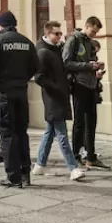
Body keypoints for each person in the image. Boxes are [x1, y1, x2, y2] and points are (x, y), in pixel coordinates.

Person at [0, 11, 39, 188]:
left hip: (3, 93)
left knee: (7, 134)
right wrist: (21, 80)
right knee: (22, 133)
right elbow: (35, 66)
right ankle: (24, 174)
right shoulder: (26, 42)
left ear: (1, 26)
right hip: (21, 92)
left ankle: (12, 176)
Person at [32, 21, 86, 182]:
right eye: (56, 33)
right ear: (47, 33)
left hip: (59, 95)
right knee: (62, 134)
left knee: (50, 133)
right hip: (53, 98)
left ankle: (39, 165)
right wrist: (56, 88)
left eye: (60, 33)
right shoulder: (42, 51)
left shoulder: (55, 49)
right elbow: (39, 77)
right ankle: (73, 168)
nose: (60, 36)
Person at [62, 17, 108, 169]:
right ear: (87, 27)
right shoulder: (73, 40)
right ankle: (75, 155)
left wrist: (97, 66)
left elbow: (90, 60)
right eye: (93, 31)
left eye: (96, 32)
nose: (94, 34)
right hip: (79, 84)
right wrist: (88, 66)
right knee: (79, 122)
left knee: (92, 123)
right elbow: (66, 63)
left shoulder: (89, 42)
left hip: (91, 84)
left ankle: (91, 156)